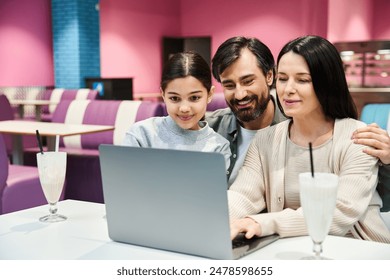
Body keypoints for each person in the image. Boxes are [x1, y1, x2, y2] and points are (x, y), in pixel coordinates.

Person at [227, 35, 390, 243]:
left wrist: (263, 223)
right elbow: (243, 195)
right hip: (290, 251)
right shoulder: (265, 140)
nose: (288, 89)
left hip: (355, 250)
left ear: (327, 84)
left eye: (302, 80)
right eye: (283, 78)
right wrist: (213, 216)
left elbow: (339, 212)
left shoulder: (358, 138)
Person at [122, 51, 231, 169]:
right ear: (163, 95)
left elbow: (214, 187)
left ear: (210, 94)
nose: (184, 108)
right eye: (174, 98)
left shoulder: (218, 147)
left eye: (194, 98)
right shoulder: (141, 134)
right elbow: (122, 181)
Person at [207, 36, 286, 186]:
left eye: (248, 81)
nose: (240, 94)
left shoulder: (294, 130)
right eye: (229, 85)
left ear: (269, 76)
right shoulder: (209, 129)